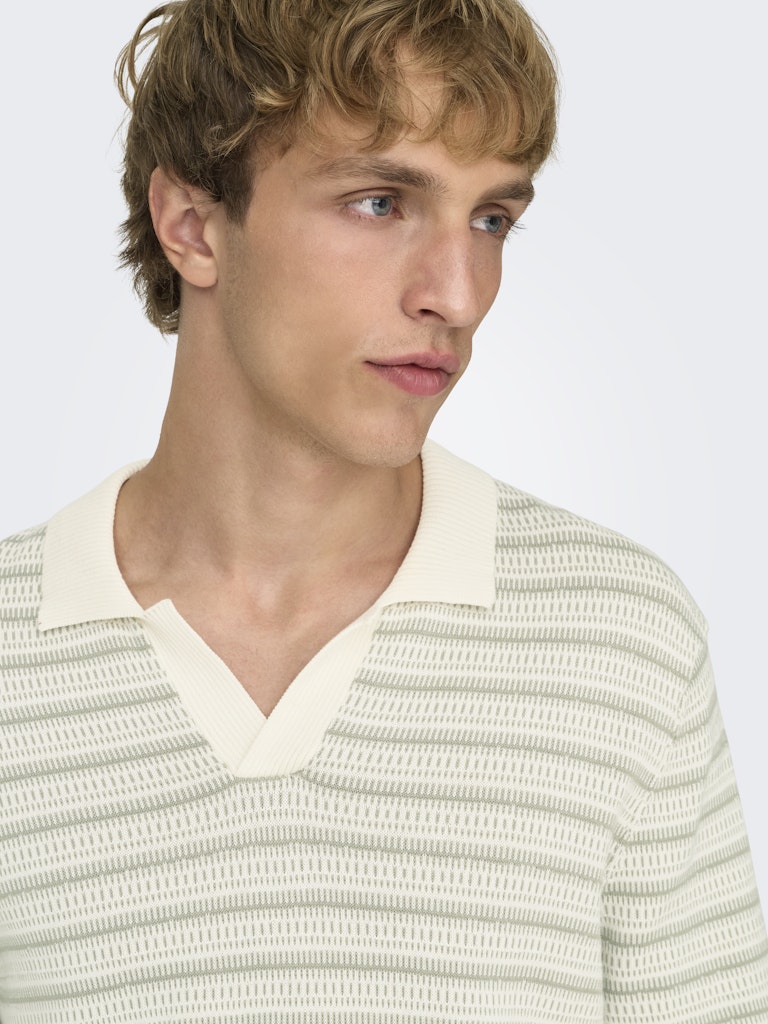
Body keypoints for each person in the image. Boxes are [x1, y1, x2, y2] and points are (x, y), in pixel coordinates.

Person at [1, 0, 766, 1020]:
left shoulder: (622, 642)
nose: (459, 293)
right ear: (191, 225)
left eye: (491, 219)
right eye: (380, 203)